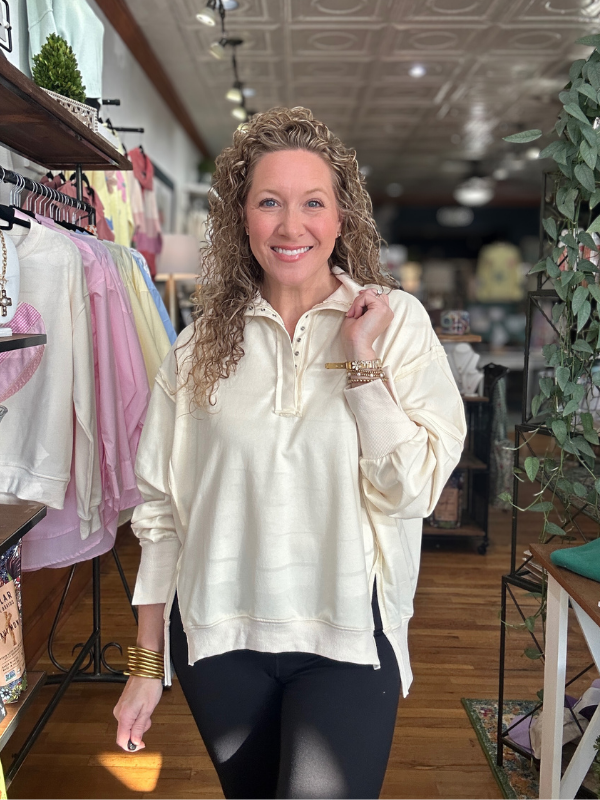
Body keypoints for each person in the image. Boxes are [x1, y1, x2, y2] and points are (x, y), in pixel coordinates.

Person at [113, 107, 467, 799]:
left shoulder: (395, 327)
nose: (290, 225)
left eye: (313, 203)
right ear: (241, 218)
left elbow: (415, 490)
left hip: (348, 638)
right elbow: (158, 515)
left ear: (343, 218)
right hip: (217, 641)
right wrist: (143, 664)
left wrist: (362, 366)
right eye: (268, 202)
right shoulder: (195, 349)